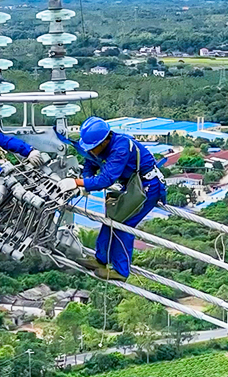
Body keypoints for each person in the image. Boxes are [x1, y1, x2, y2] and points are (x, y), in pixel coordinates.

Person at [58, 117, 165, 281]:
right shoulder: (100, 148)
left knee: (123, 225)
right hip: (132, 185)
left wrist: (76, 183)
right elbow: (90, 163)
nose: (92, 151)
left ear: (104, 141)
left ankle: (121, 271)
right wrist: (85, 181)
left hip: (148, 186)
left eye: (93, 148)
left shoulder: (120, 148)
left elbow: (105, 180)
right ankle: (101, 259)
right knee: (111, 220)